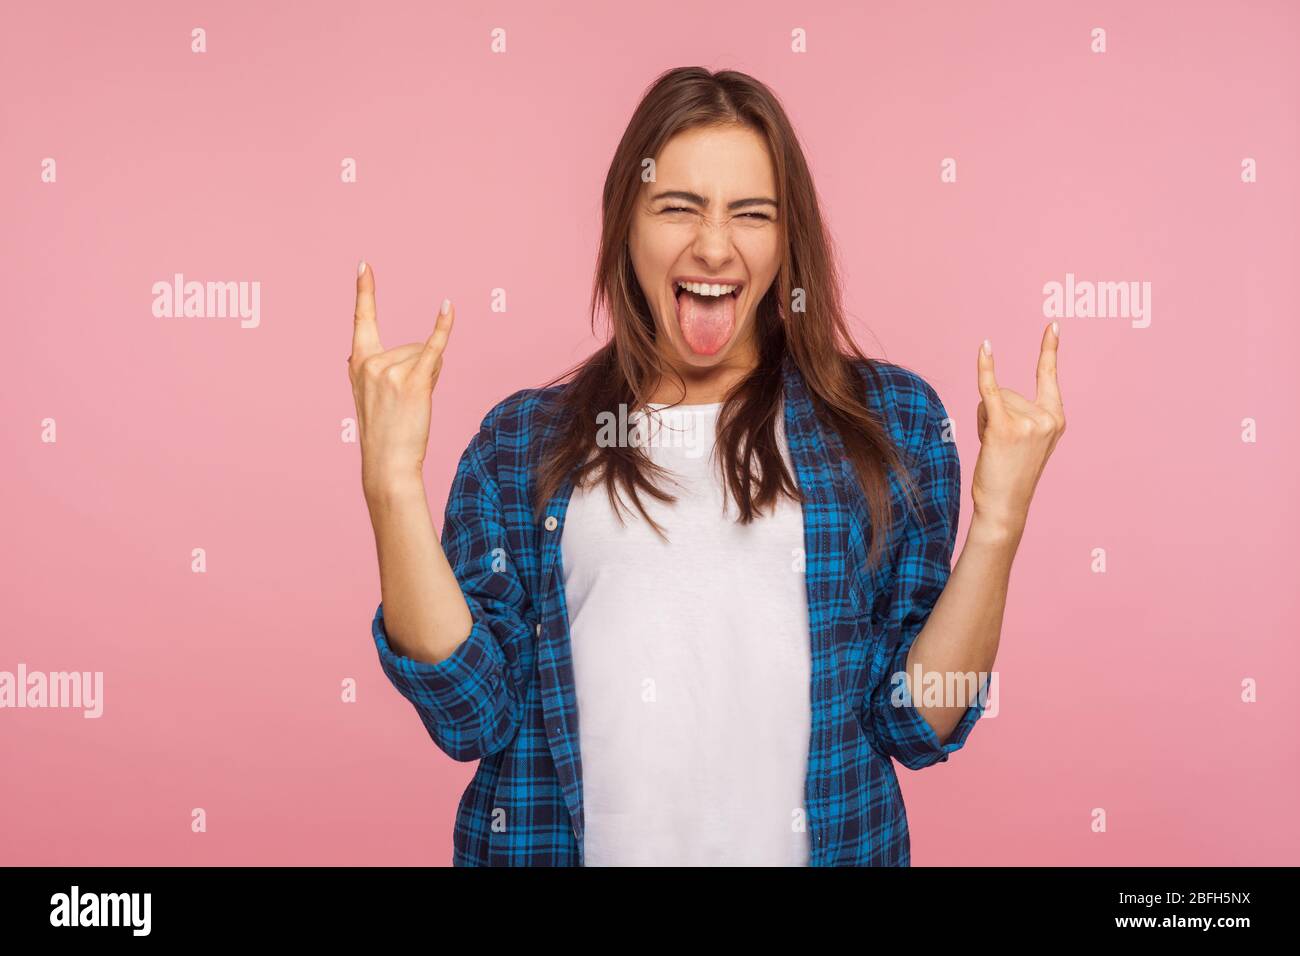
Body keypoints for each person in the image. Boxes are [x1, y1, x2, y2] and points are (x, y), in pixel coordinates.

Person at [346, 66, 1065, 866]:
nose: (714, 246)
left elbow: (916, 720)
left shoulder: (888, 424)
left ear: (787, 237)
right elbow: (470, 714)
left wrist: (999, 526)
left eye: (750, 214)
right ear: (627, 223)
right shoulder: (525, 443)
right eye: (678, 208)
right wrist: (390, 482)